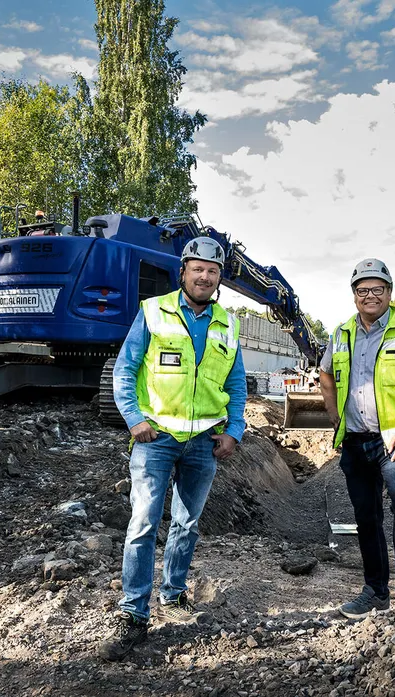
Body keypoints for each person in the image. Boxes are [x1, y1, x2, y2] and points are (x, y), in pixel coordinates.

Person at [98, 236, 247, 661]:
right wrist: (134, 418)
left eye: (212, 270)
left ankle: (174, 593)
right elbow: (125, 370)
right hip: (156, 440)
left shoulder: (228, 325)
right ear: (182, 272)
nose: (204, 276)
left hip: (203, 443)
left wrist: (234, 430)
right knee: (143, 524)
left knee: (187, 523)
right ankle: (133, 614)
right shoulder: (153, 311)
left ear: (220, 279)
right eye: (197, 268)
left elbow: (236, 385)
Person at [319, 258, 395, 627]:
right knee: (365, 517)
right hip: (356, 441)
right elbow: (325, 375)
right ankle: (375, 592)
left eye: (377, 289)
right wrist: (337, 419)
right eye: (362, 290)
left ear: (389, 292)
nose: (370, 296)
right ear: (354, 295)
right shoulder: (341, 333)